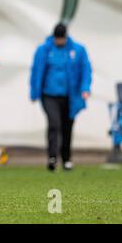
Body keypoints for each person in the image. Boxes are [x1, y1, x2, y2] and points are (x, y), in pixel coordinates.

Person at [30, 23, 92, 171]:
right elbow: (36, 71)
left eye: (61, 39)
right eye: (57, 39)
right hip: (49, 94)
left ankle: (66, 158)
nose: (59, 42)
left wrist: (85, 89)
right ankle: (52, 157)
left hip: (70, 96)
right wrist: (34, 92)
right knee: (54, 124)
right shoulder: (44, 50)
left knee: (67, 127)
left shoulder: (77, 50)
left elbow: (86, 70)